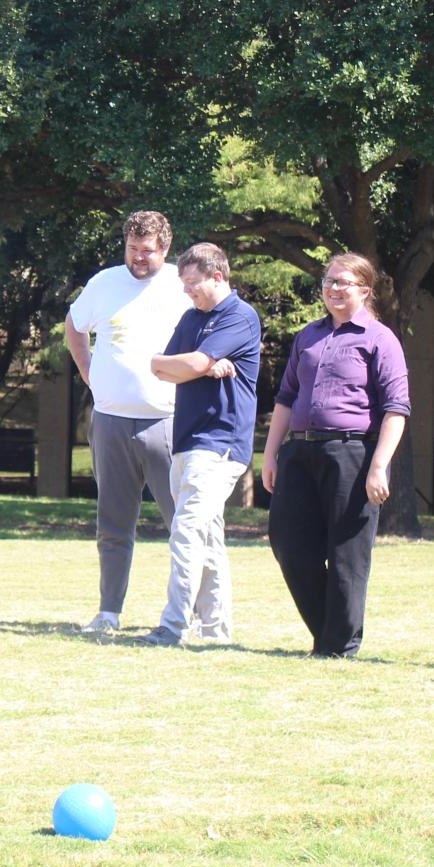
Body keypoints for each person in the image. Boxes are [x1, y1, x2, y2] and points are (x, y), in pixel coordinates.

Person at [259, 253, 409, 658]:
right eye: (329, 281)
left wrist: (380, 465)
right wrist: (271, 455)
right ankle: (329, 635)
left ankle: (338, 646)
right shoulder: (309, 336)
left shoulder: (380, 339)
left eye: (344, 282)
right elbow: (286, 398)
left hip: (352, 453)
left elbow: (396, 408)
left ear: (364, 289)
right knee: (288, 544)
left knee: (346, 555)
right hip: (300, 451)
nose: (333, 289)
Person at [63, 210, 189, 634]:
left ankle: (190, 616)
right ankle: (108, 612)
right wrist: (88, 373)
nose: (138, 258)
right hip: (111, 422)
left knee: (183, 525)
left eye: (147, 251)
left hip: (168, 420)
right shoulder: (103, 283)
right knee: (113, 524)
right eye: (132, 249)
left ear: (165, 249)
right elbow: (74, 325)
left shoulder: (181, 284)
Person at [139, 243, 261, 647]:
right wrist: (202, 365)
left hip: (221, 443)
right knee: (207, 539)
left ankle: (172, 626)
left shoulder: (240, 317)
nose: (188, 292)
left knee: (186, 530)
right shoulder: (191, 317)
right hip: (187, 440)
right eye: (184, 285)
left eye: (193, 284)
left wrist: (195, 365)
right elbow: (161, 367)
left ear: (218, 276)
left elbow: (182, 365)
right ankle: (216, 633)